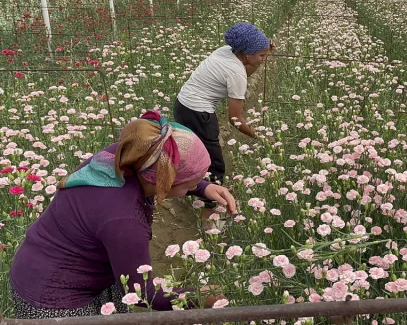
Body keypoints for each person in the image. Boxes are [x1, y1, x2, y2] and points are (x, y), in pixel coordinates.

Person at [9, 111, 237, 319]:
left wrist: (203, 187)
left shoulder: (128, 155)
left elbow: (164, 169)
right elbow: (141, 294)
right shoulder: (124, 218)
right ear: (162, 182)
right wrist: (197, 296)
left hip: (46, 261)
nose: (192, 188)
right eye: (189, 186)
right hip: (52, 299)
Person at [174, 22, 274, 186]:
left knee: (192, 152)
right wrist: (260, 137)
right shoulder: (235, 72)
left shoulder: (226, 51)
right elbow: (234, 118)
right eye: (262, 55)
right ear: (247, 54)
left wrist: (263, 52)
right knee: (214, 164)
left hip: (183, 105)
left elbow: (245, 71)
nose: (264, 59)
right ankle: (210, 205)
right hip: (199, 113)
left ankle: (187, 188)